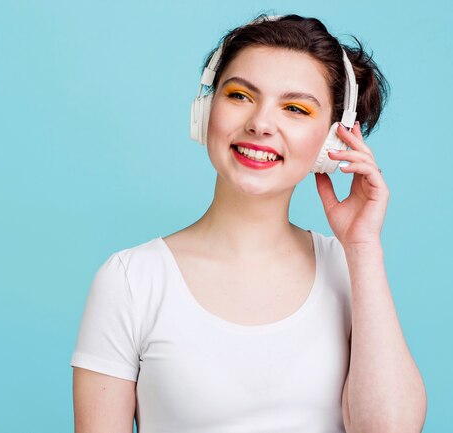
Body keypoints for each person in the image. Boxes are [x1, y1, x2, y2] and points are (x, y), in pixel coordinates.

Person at [70, 14, 427, 433]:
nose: (260, 123)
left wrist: (363, 248)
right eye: (240, 95)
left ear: (332, 141)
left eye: (295, 108)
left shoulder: (349, 270)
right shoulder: (132, 280)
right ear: (205, 109)